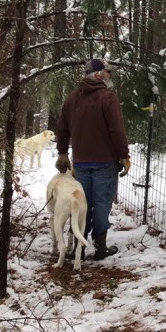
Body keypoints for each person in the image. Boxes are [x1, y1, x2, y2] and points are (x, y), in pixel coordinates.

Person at [55, 58, 131, 261]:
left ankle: (77, 249)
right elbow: (116, 129)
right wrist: (124, 155)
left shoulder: (72, 99)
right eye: (108, 72)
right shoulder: (107, 98)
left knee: (81, 205)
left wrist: (63, 153)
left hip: (80, 163)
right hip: (105, 162)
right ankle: (100, 247)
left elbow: (62, 129)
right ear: (98, 74)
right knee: (102, 204)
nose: (110, 75)